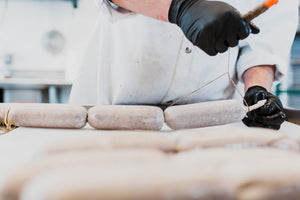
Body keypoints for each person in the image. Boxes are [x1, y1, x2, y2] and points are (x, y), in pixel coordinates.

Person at [69, 0, 298, 130]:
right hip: (109, 114)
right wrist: (179, 6)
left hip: (210, 122)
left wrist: (256, 90)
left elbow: (263, 41)